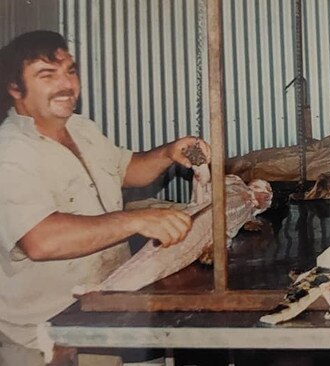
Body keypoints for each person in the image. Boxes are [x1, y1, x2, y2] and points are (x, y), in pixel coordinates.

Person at [0, 30, 210, 365]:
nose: (67, 84)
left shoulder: (81, 129)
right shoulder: (11, 152)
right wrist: (136, 219)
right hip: (46, 338)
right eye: (47, 75)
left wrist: (169, 153)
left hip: (101, 311)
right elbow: (40, 240)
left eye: (70, 70)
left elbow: (127, 170)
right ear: (14, 88)